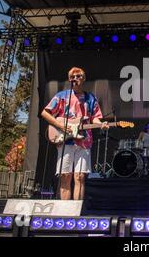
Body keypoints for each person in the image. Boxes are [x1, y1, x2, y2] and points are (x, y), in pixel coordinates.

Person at [41, 67, 109, 200]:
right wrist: (60, 125)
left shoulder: (90, 98)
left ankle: (77, 212)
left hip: (84, 141)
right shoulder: (62, 96)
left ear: (83, 79)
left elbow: (94, 117)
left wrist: (101, 124)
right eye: (72, 77)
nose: (75, 79)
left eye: (78, 76)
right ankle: (65, 212)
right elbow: (45, 112)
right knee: (65, 176)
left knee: (80, 176)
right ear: (69, 79)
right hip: (65, 140)